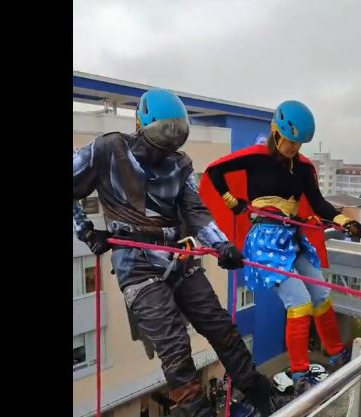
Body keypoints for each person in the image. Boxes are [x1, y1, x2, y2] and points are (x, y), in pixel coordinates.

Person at [73, 88, 278, 416]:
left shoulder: (180, 164)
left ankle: (261, 395)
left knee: (220, 326)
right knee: (175, 348)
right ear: (140, 126)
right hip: (137, 266)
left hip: (178, 258)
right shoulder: (108, 150)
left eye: (173, 139)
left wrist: (222, 244)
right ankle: (198, 412)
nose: (166, 148)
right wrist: (85, 231)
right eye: (161, 138)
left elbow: (196, 211)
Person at [199, 100, 361, 395]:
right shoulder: (256, 158)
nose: (293, 148)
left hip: (293, 237)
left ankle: (337, 354)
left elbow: (318, 202)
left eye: (298, 144)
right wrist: (231, 201)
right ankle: (300, 374)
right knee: (299, 302)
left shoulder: (301, 168)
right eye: (290, 141)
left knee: (321, 295)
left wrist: (344, 221)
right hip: (265, 241)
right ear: (276, 132)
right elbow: (215, 173)